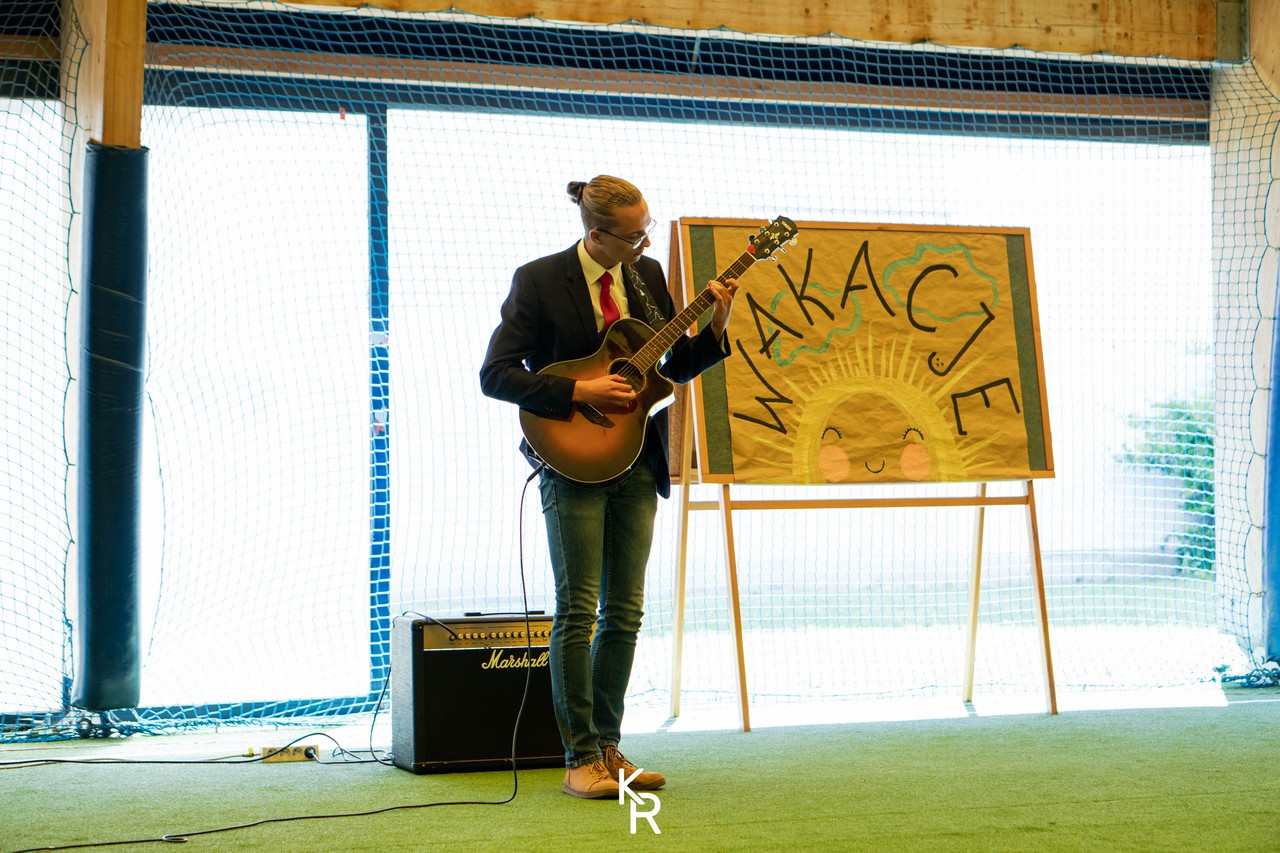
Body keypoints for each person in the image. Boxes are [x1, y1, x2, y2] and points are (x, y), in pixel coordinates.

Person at [479, 175, 739, 798]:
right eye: (633, 236)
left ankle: (609, 749)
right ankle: (579, 759)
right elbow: (496, 374)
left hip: (637, 458)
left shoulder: (646, 277)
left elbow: (668, 368)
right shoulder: (539, 280)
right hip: (570, 461)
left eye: (647, 230)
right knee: (578, 609)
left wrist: (715, 325)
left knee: (623, 612)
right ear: (595, 234)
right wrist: (579, 389)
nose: (644, 244)